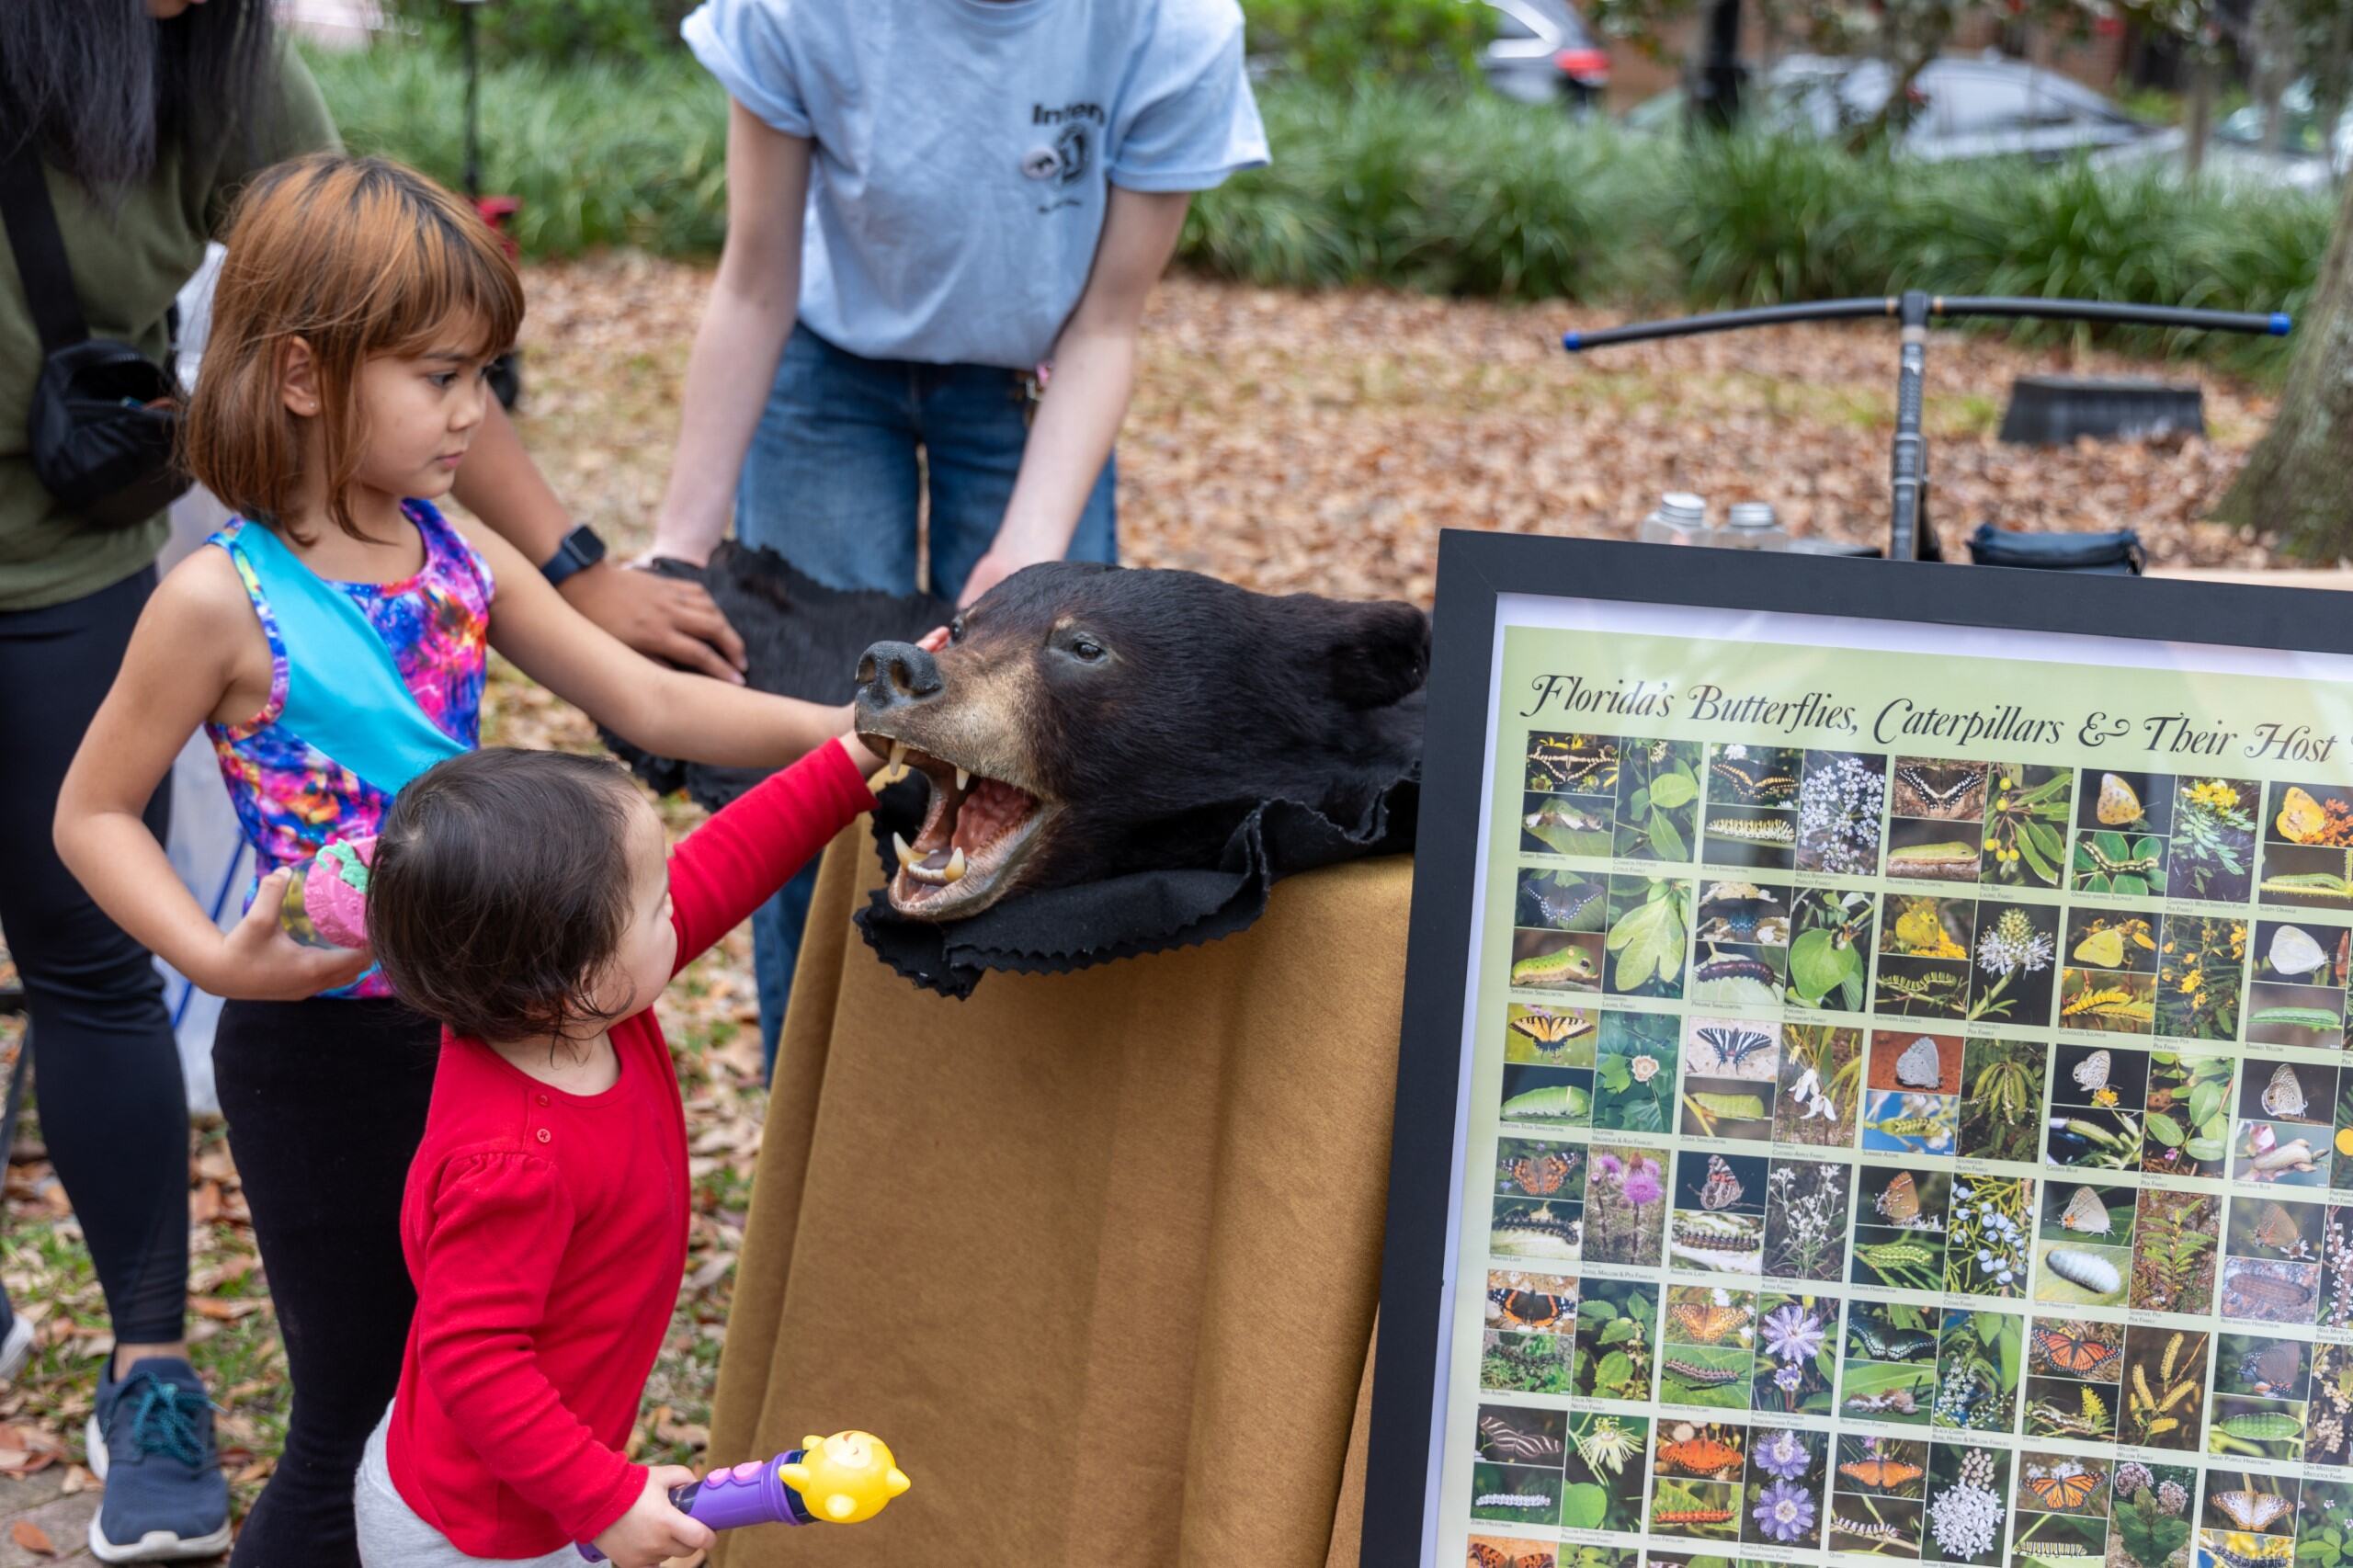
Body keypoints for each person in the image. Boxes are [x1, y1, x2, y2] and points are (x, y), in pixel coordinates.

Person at [0, 5, 739, 1558]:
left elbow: (646, 697)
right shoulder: (219, 601)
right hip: (318, 1055)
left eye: (486, 376)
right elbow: (87, 813)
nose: (479, 412)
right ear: (302, 374)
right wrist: (213, 962)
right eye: (445, 377)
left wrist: (886, 725)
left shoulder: (457, 559)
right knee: (352, 1413)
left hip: (477, 1028)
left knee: (460, 1397)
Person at [649, 0, 1267, 1069]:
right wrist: (676, 550)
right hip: (824, 367)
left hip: (1038, 375)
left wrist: (1027, 544)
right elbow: (754, 282)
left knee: (1049, 737)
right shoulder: (797, 14)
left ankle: (1001, 1089)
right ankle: (821, 1083)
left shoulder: (1172, 27)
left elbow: (1109, 321)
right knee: (821, 730)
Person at [350, 739, 883, 1568]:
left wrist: (850, 761)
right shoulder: (514, 1166)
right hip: (480, 1536)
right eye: (655, 900)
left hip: (530, 1491)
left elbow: (726, 864)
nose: (679, 903)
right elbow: (475, 1361)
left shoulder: (559, 1004)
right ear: (577, 975)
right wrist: (604, 1500)